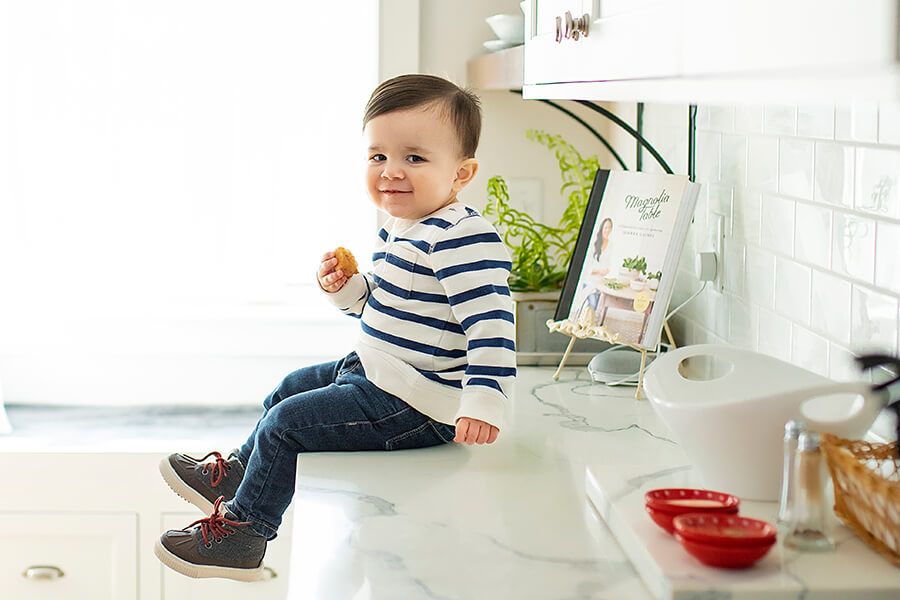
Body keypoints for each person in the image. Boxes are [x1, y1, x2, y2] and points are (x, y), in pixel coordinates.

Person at [153, 74, 516, 582]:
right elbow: (386, 309)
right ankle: (238, 475)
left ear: (462, 173)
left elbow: (493, 324)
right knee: (286, 390)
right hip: (375, 371)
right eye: (378, 156)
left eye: (414, 157)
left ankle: (244, 533)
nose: (391, 172)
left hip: (415, 403)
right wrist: (349, 290)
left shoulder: (462, 237)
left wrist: (484, 401)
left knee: (288, 425)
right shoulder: (402, 224)